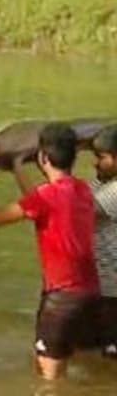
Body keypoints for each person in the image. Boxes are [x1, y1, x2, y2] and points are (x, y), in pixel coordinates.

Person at [0, 123, 100, 380]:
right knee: (60, 365)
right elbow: (38, 200)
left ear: (43, 158)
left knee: (49, 382)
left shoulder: (44, 197)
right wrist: (17, 167)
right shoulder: (83, 189)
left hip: (61, 298)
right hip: (90, 292)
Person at [90, 125, 117, 358]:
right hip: (101, 283)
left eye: (101, 157)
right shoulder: (103, 182)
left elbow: (74, 211)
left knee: (109, 348)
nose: (95, 163)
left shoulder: (115, 190)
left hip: (111, 288)